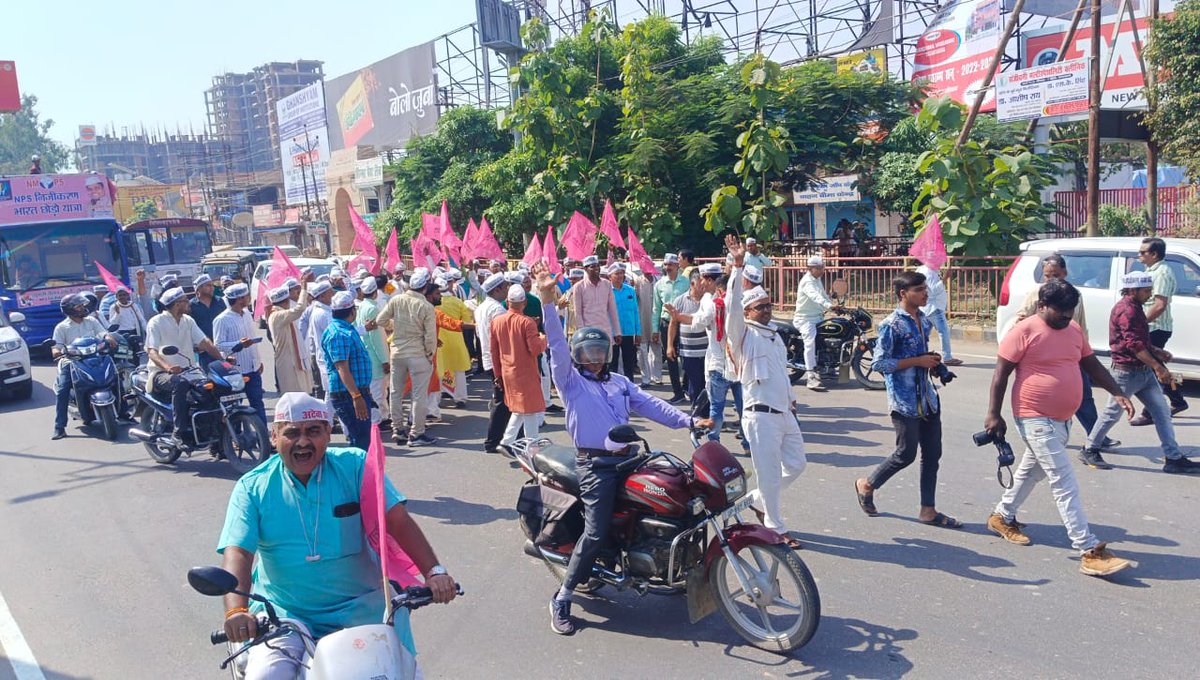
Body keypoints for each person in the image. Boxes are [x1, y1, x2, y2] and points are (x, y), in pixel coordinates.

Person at [217, 393, 457, 679]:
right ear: (273, 437)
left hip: (362, 608)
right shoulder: (252, 487)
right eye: (291, 433)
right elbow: (239, 553)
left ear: (329, 434)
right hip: (285, 613)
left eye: (313, 431)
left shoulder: (354, 466)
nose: (303, 442)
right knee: (265, 676)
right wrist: (236, 612)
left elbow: (397, 521)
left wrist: (435, 572)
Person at [532, 264, 713, 636]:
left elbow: (651, 405)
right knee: (595, 532)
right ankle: (563, 595)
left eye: (601, 351)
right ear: (579, 356)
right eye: (589, 352)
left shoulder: (618, 381)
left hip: (629, 457)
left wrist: (688, 421)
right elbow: (556, 344)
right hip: (595, 466)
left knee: (675, 490)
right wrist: (548, 302)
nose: (596, 357)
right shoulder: (569, 382)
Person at [983, 279, 1136, 577]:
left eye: (1070, 311)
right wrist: (993, 414)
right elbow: (1000, 375)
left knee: (1032, 471)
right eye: (1061, 311)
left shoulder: (1073, 330)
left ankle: (1002, 515)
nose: (1067, 317)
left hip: (1061, 419)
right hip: (1033, 416)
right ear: (1042, 306)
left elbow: (1091, 365)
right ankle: (1088, 548)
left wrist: (1117, 391)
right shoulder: (1023, 331)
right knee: (1063, 480)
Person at [853, 272, 960, 528]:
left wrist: (934, 365)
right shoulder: (891, 324)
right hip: (905, 402)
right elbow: (880, 363)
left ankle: (928, 510)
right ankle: (867, 484)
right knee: (905, 454)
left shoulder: (923, 319)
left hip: (928, 398)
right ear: (904, 293)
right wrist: (917, 362)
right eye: (920, 290)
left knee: (933, 455)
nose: (925, 294)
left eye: (925, 289)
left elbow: (919, 354)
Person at [722, 241, 807, 548]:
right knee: (769, 473)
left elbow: (782, 374)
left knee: (797, 464)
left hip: (784, 412)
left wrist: (792, 400)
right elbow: (731, 305)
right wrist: (738, 266)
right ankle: (775, 527)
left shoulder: (774, 336)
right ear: (747, 311)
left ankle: (755, 500)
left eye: (769, 305)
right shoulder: (741, 333)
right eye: (761, 307)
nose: (768, 310)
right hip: (760, 416)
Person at [1081, 272, 1200, 474]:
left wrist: (1157, 351)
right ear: (1132, 290)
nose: (1150, 295)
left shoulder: (1135, 308)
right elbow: (1134, 345)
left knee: (1162, 412)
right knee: (1112, 414)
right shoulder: (1126, 310)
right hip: (1126, 373)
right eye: (1146, 291)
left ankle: (1173, 458)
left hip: (1142, 373)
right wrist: (1159, 367)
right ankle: (1089, 448)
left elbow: (1139, 339)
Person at [1014, 254, 1119, 453]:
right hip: (1044, 357)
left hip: (1072, 353)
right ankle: (1049, 434)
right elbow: (1020, 320)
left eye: (1055, 274)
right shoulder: (1036, 294)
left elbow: (1081, 325)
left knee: (1084, 395)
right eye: (1047, 275)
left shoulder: (1074, 295)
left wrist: (1083, 351)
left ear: (1065, 273)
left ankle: (1096, 436)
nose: (1051, 279)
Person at [671, 273, 748, 451]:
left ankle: (714, 443)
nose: (702, 283)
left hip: (719, 364)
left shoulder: (713, 303)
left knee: (717, 408)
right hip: (737, 364)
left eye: (704, 280)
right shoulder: (739, 304)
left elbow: (699, 321)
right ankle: (747, 442)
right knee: (743, 407)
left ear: (714, 284)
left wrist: (679, 317)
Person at [144, 287, 223, 445]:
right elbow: (152, 352)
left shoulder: (188, 321)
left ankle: (215, 439)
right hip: (161, 373)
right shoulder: (156, 322)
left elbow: (204, 343)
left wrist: (223, 360)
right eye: (185, 301)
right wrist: (168, 367)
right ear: (176, 304)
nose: (189, 303)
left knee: (213, 388)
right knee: (180, 384)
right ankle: (178, 432)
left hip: (190, 370)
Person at [372, 268, 438, 448]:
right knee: (418, 396)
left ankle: (398, 429)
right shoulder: (426, 306)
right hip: (417, 354)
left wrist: (396, 326)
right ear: (425, 287)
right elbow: (430, 337)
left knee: (395, 392)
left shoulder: (397, 299)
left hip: (398, 353)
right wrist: (429, 354)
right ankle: (416, 433)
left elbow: (380, 320)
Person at [1131, 237, 1187, 423]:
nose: (1139, 255)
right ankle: (1176, 400)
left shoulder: (1161, 273)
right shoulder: (1152, 271)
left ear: (1154, 254)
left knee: (1152, 368)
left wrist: (1141, 322)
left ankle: (1151, 411)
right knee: (1155, 367)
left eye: (1143, 252)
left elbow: (1159, 305)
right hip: (1153, 326)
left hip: (1156, 327)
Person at [50, 294, 120, 440]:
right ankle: (59, 427)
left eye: (82, 305)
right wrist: (58, 351)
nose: (83, 308)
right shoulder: (62, 327)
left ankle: (124, 412)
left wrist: (109, 338)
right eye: (79, 306)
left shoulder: (92, 321)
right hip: (72, 362)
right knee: (62, 389)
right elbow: (55, 348)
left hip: (96, 358)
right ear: (70, 309)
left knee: (116, 378)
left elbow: (104, 334)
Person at [492, 285, 548, 453]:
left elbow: (493, 351)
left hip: (508, 372)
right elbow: (535, 349)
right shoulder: (527, 322)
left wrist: (497, 374)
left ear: (508, 302)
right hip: (526, 373)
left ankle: (507, 441)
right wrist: (543, 339)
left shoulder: (497, 322)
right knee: (529, 410)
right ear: (524, 302)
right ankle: (532, 447)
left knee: (520, 409)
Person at [322, 292, 377, 450]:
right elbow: (342, 368)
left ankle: (361, 472)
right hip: (348, 395)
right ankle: (358, 473)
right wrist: (356, 396)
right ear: (352, 311)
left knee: (362, 438)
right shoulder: (338, 334)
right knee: (360, 441)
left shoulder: (346, 329)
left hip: (356, 392)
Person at [212, 283, 267, 426]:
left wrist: (258, 361)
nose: (249, 298)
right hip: (235, 371)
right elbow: (218, 344)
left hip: (252, 368)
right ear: (239, 299)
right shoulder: (222, 319)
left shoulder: (248, 314)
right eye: (247, 296)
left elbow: (252, 338)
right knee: (235, 407)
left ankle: (265, 438)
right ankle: (236, 437)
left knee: (257, 403)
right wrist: (238, 344)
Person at [667, 265, 720, 403]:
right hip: (689, 352)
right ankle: (698, 414)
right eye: (699, 283)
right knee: (695, 385)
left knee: (707, 384)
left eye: (703, 282)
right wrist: (669, 346)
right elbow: (673, 324)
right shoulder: (680, 300)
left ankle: (706, 414)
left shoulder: (709, 300)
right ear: (692, 284)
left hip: (707, 351)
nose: (702, 286)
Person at [475, 272, 513, 453]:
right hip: (498, 360)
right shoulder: (498, 310)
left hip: (488, 357)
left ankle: (503, 439)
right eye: (505, 287)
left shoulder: (482, 307)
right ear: (497, 289)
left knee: (503, 401)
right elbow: (504, 339)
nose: (507, 290)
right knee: (503, 402)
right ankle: (493, 441)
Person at [792, 256, 842, 391]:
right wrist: (829, 306)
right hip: (805, 319)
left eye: (822, 267)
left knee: (826, 338)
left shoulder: (816, 279)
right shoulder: (807, 282)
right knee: (810, 343)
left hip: (817, 317)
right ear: (810, 268)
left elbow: (823, 295)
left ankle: (827, 367)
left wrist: (832, 304)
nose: (822, 270)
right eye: (819, 268)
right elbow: (815, 296)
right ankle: (811, 376)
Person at [653, 254, 691, 403]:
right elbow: (656, 308)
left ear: (677, 266)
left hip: (684, 323)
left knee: (688, 356)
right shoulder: (660, 284)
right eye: (665, 265)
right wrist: (655, 329)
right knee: (671, 357)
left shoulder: (686, 282)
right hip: (666, 323)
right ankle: (678, 392)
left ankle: (687, 387)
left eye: (671, 265)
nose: (667, 268)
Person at [267, 283, 314, 395]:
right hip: (288, 361)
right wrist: (303, 289)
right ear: (286, 301)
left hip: (294, 359)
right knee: (294, 396)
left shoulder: (281, 314)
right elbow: (300, 308)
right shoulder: (277, 315)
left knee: (304, 392)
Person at [356, 277, 390, 427]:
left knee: (377, 390)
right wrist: (384, 360)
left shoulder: (362, 306)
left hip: (368, 353)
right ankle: (379, 420)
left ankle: (381, 417)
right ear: (375, 291)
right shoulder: (372, 309)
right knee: (379, 392)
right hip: (375, 356)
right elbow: (376, 338)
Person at [916, 260, 962, 367]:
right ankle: (947, 357)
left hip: (927, 307)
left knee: (923, 333)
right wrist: (945, 278)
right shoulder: (930, 273)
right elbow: (933, 291)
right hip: (934, 307)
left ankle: (918, 354)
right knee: (944, 331)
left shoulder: (922, 269)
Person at [437, 276, 473, 409]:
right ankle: (460, 398)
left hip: (439, 341)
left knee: (439, 369)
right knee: (459, 371)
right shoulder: (457, 302)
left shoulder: (433, 303)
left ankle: (438, 397)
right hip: (456, 339)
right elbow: (467, 320)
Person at [573, 255, 621, 346]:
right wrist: (583, 333)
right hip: (588, 332)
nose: (596, 268)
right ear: (585, 269)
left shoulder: (607, 284)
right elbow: (578, 314)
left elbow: (613, 310)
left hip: (605, 331)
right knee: (591, 360)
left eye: (597, 265)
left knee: (606, 360)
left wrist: (617, 332)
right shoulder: (579, 287)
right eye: (592, 266)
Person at [608, 264, 640, 378]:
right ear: (610, 276)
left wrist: (638, 332)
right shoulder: (607, 291)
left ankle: (630, 388)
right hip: (612, 333)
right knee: (613, 364)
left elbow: (635, 312)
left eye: (622, 273)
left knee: (629, 363)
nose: (620, 276)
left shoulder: (630, 290)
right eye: (617, 273)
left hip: (628, 332)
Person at [631, 264, 661, 387]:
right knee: (642, 349)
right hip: (641, 319)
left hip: (655, 319)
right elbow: (634, 300)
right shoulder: (637, 282)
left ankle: (657, 376)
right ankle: (645, 378)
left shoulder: (658, 282)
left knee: (657, 348)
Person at [188, 274, 226, 366]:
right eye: (208, 285)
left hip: (222, 348)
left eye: (212, 285)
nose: (212, 288)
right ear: (199, 289)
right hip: (204, 352)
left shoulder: (219, 302)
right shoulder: (191, 306)